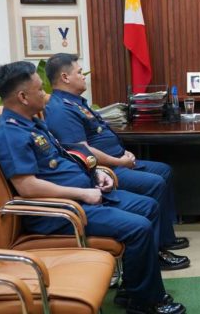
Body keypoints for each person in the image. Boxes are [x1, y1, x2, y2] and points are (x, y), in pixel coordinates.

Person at [0, 61, 186, 314]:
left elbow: (64, 159)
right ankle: (145, 303)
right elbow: (27, 186)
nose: (45, 94)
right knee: (139, 227)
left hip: (87, 195)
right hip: (62, 211)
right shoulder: (10, 132)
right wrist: (83, 192)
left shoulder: (33, 122)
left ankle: (132, 290)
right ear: (23, 96)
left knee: (148, 206)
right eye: (39, 90)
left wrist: (96, 173)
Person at [43, 54, 190, 275]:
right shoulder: (61, 109)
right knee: (155, 182)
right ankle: (157, 251)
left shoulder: (76, 102)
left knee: (163, 170)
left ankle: (165, 239)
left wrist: (123, 153)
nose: (84, 77)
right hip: (108, 169)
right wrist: (119, 160)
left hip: (119, 160)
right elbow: (83, 151)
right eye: (79, 73)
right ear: (65, 77)